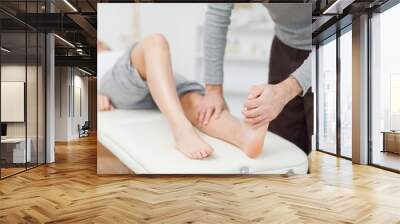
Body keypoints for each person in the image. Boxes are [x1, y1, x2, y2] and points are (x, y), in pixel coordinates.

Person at [97, 34, 269, 160]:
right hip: (123, 84)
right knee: (156, 41)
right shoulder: (102, 62)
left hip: (158, 82)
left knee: (194, 100)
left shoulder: (117, 52)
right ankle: (182, 130)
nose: (97, 42)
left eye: (100, 41)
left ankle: (243, 136)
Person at [199, 3, 313, 154]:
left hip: (335, 40)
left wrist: (286, 90)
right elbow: (217, 14)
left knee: (328, 149)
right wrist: (213, 89)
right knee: (285, 146)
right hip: (285, 45)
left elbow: (347, 24)